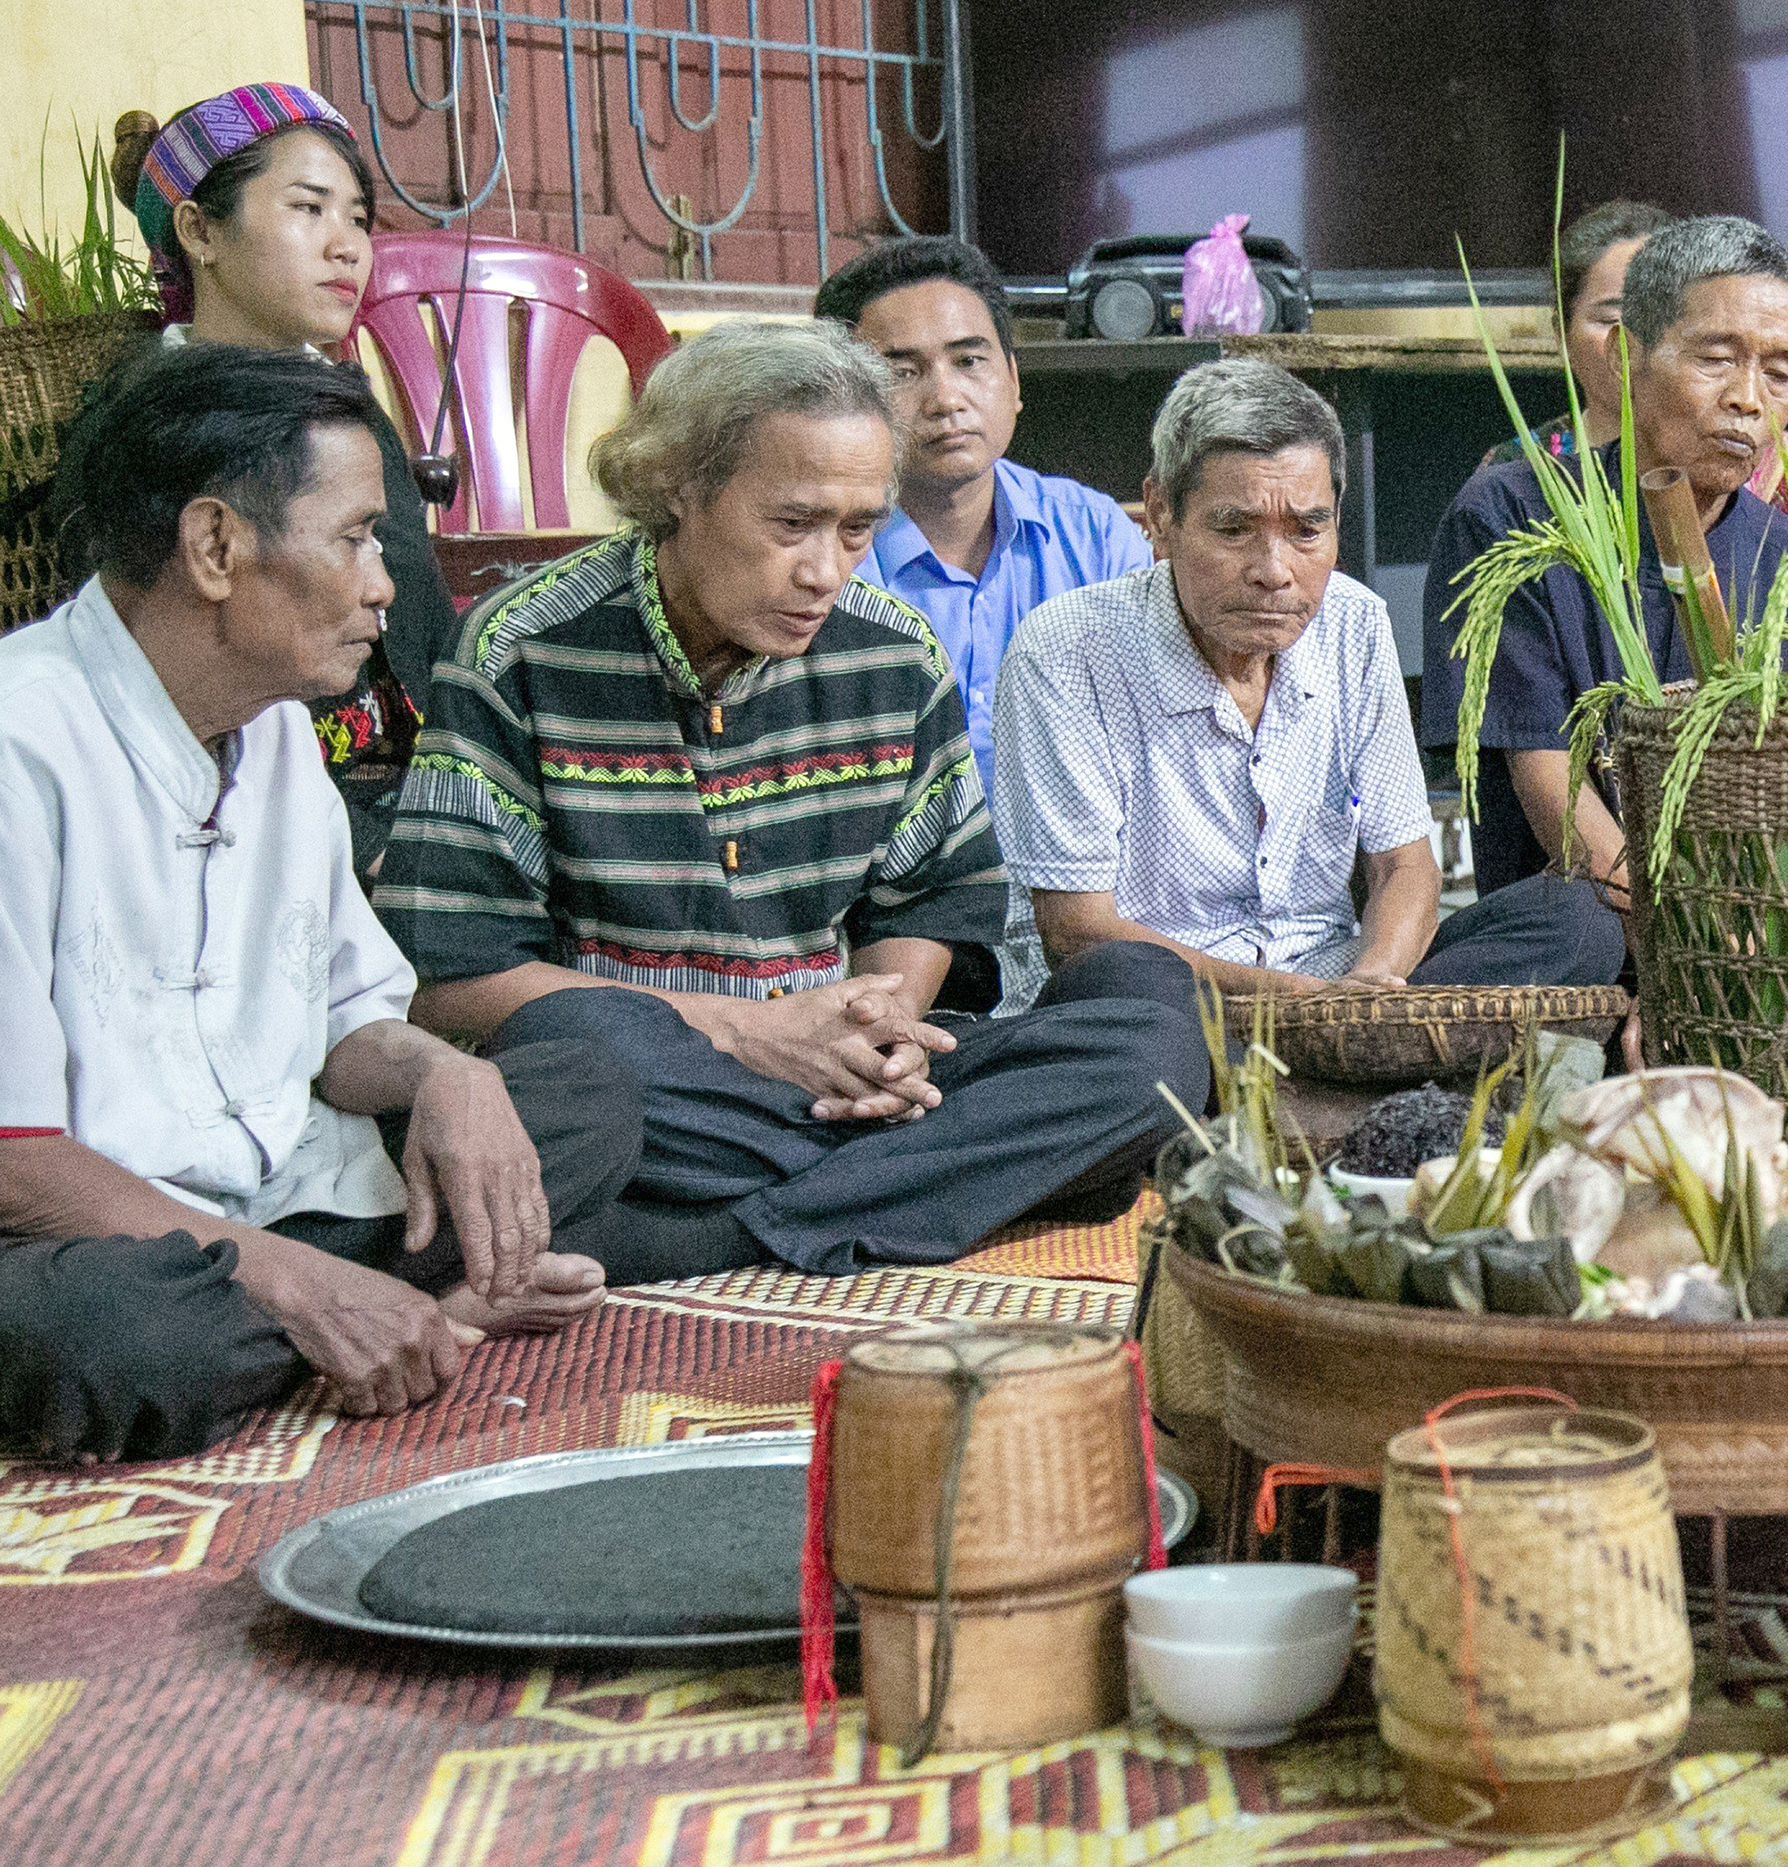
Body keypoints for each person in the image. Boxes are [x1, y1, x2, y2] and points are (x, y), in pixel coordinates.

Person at [374, 319, 1210, 1275]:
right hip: (655, 1083)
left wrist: (879, 1033)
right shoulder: (521, 649)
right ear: (679, 487)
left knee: (1151, 1026)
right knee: (573, 1062)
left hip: (822, 1085)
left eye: (858, 531)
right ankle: (951, 1182)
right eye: (791, 524)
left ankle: (720, 1235)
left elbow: (932, 904)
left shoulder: (894, 656)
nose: (825, 570)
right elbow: (449, 980)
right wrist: (754, 1032)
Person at [0, 347, 660, 1462]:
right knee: (110, 1337)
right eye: (355, 537)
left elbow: (343, 1025)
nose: (384, 585)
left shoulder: (275, 727)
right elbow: (17, 1159)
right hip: (97, 1234)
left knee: (589, 1080)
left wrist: (445, 1073)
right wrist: (305, 1286)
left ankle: (362, 1316)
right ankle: (380, 1310)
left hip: (289, 1189)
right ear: (216, 545)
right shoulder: (21, 741)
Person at [995, 361, 1625, 1006]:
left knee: (1580, 921)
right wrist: (1303, 1007)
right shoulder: (1067, 648)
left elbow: (1404, 865)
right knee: (1128, 1000)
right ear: (1158, 515)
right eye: (1234, 529)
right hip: (1169, 1001)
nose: (1274, 571)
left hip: (1334, 979)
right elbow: (1077, 929)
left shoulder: (1353, 622)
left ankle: (1331, 1072)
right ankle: (1343, 1077)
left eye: (1307, 530)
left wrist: (1368, 989)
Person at [80, 87, 466, 872]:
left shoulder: (350, 414)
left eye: (358, 217)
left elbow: (425, 630)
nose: (347, 246)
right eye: (309, 208)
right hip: (252, 830)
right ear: (200, 230)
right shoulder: (144, 426)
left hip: (417, 810)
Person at [1423, 214, 1788, 897]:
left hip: (1754, 944)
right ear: (1626, 355)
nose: (1749, 399)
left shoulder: (1787, 560)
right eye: (1716, 359)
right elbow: (1549, 785)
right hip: (1593, 923)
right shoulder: (1511, 516)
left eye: (1778, 371)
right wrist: (1687, 957)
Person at [815, 235, 1153, 779]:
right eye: (902, 373)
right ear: (843, 398)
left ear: (1014, 379)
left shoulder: (1095, 537)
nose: (947, 400)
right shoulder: (818, 561)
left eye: (969, 360)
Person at [1481, 199, 1788, 510]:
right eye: (1614, 320)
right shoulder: (1513, 482)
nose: (1636, 342)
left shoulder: (1779, 472)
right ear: (1562, 333)